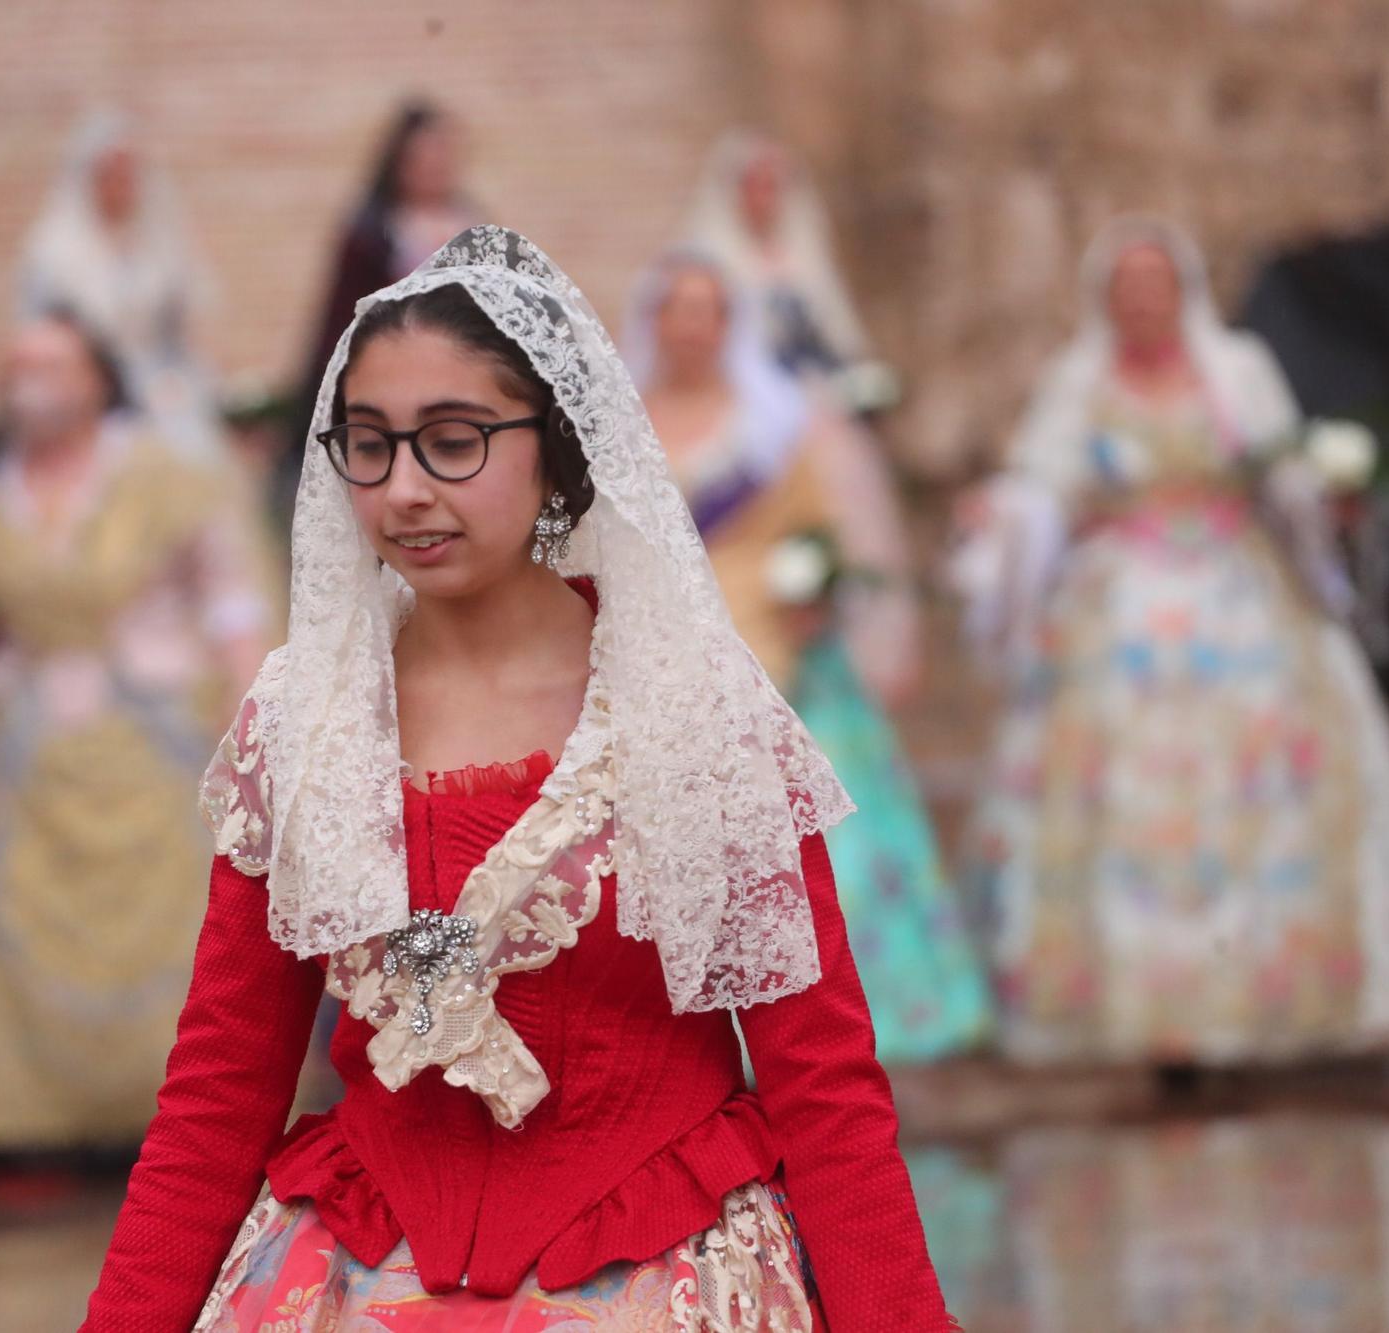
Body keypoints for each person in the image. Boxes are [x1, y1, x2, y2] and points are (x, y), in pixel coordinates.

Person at [80, 227, 954, 1329]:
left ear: (552, 444)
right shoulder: (305, 724)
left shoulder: (689, 712)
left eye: (452, 441)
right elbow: (217, 1097)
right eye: (368, 445)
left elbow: (821, 1087)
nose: (402, 490)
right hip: (351, 1275)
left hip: (658, 1273)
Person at [958, 215, 1389, 1065]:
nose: (1144, 305)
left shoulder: (1240, 371)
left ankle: (1275, 999)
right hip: (1118, 614)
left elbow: (1281, 473)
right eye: (1127, 290)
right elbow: (1045, 485)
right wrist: (1002, 515)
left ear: (1182, 295)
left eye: (1158, 288)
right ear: (1106, 300)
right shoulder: (1082, 382)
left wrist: (1321, 493)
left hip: (1240, 604)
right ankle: (1139, 1011)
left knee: (1263, 792)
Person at [0, 315, 274, 1163]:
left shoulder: (162, 474)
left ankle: (176, 1118)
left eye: (53, 363)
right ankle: (15, 1123)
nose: (32, 381)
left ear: (98, 379)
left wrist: (245, 710)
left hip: (152, 727)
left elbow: (231, 594)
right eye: (16, 364)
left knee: (180, 922)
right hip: (20, 739)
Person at [629, 249, 990, 1065]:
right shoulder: (624, 424)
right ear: (653, 322)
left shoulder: (774, 425)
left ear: (730, 322)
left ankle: (852, 1017)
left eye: (708, 308)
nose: (691, 325)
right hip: (660, 647)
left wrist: (811, 581)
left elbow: (818, 524)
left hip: (774, 644)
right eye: (676, 308)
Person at [270, 100, 481, 527]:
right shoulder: (372, 233)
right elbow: (341, 319)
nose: (435, 166)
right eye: (424, 156)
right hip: (392, 373)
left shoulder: (471, 224)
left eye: (444, 154)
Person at [19, 108, 226, 463]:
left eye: (128, 175)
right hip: (90, 400)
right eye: (109, 175)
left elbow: (175, 326)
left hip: (163, 388)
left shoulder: (158, 243)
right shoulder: (56, 254)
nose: (120, 186)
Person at [682, 129, 876, 383]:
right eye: (755, 186)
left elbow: (833, 323)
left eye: (771, 187)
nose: (764, 199)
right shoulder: (708, 255)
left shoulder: (803, 252)